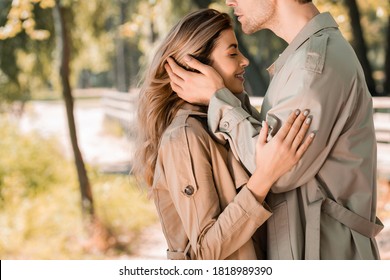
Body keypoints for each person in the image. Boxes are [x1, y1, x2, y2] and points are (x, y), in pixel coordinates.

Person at [165, 1, 384, 259]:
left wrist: (218, 99)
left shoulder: (313, 66)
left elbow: (276, 170)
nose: (230, 1)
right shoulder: (300, 60)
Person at [132, 9, 315, 260]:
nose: (245, 60)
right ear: (195, 67)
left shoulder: (226, 119)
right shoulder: (185, 137)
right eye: (232, 52)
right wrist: (264, 177)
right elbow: (204, 252)